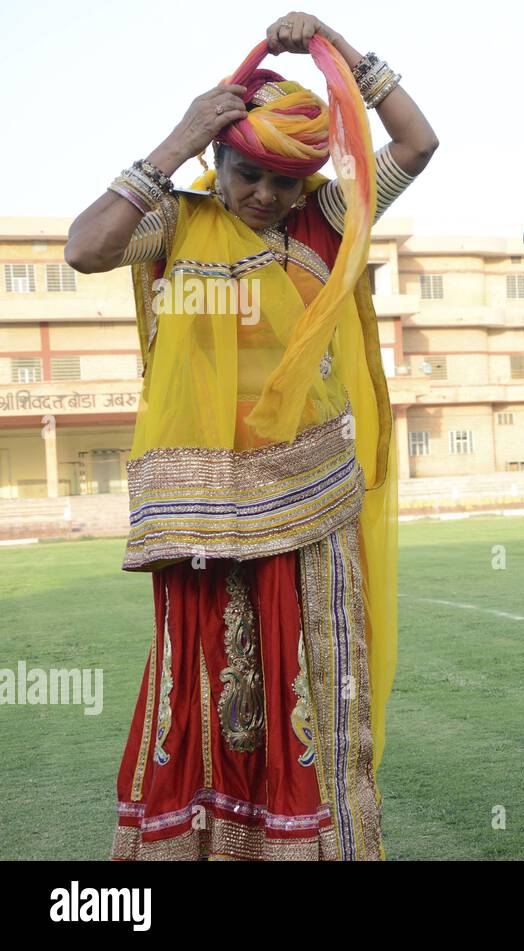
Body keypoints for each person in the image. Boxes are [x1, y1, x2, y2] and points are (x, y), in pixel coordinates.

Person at [65, 12, 436, 860]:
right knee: (207, 689)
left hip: (309, 501)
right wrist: (175, 142)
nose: (264, 196)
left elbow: (418, 143)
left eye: (283, 181)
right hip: (199, 511)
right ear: (217, 159)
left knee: (306, 690)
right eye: (246, 173)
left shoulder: (325, 221)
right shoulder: (179, 222)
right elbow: (86, 249)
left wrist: (341, 53)